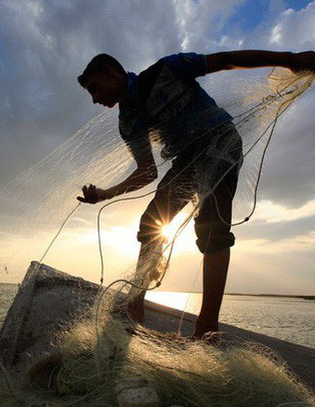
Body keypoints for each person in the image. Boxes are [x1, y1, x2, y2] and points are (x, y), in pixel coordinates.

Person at [76, 50, 314, 339]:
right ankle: (134, 308)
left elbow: (226, 61)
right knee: (151, 222)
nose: (94, 99)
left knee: (212, 230)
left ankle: (207, 327)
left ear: (111, 73)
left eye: (94, 89)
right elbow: (147, 172)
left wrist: (289, 60)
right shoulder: (128, 122)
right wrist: (105, 194)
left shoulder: (168, 69)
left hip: (219, 142)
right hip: (186, 160)